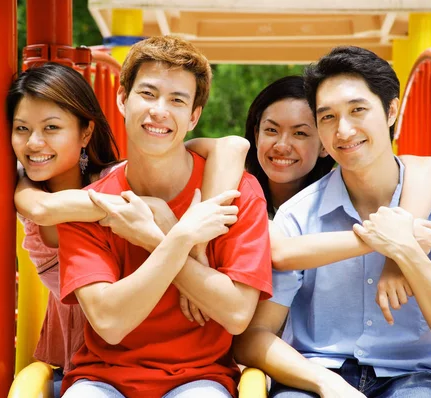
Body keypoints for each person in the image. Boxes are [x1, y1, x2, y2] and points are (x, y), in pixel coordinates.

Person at [234, 46, 431, 398]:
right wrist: (325, 382)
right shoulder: (295, 214)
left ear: (391, 110)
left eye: (357, 110)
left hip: (414, 378)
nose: (343, 130)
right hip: (315, 373)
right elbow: (253, 336)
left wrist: (405, 253)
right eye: (327, 117)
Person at [8, 62, 250, 396]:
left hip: (148, 344)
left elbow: (232, 146)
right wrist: (159, 217)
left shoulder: (123, 176)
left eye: (51, 128)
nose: (35, 143)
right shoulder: (41, 195)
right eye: (21, 129)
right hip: (89, 352)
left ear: (86, 133)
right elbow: (42, 209)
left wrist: (199, 244)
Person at [56, 36, 272, 398]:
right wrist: (182, 241)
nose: (160, 110)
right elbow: (109, 323)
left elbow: (236, 314)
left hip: (200, 379)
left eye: (177, 100)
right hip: (102, 378)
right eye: (148, 94)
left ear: (194, 116)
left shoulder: (236, 193)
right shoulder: (90, 203)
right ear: (122, 100)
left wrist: (156, 239)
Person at [244, 75, 431, 323]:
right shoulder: (243, 193)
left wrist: (398, 254)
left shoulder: (337, 193)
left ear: (324, 145)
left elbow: (429, 166)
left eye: (300, 133)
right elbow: (279, 251)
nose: (282, 145)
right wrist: (396, 240)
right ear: (256, 134)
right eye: (271, 130)